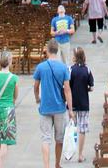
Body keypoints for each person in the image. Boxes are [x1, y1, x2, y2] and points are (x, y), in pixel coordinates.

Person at [33, 38, 74, 168]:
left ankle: (46, 166)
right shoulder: (63, 68)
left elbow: (35, 85)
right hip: (60, 108)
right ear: (57, 50)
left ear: (47, 50)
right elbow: (67, 90)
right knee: (59, 138)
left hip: (45, 107)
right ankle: (57, 164)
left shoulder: (41, 67)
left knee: (45, 139)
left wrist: (37, 97)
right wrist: (71, 109)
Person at [69, 46, 94, 163]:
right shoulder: (87, 70)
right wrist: (86, 88)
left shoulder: (70, 70)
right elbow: (91, 87)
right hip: (84, 103)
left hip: (72, 103)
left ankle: (69, 152)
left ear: (74, 57)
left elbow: (67, 87)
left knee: (71, 128)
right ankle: (80, 154)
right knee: (82, 129)